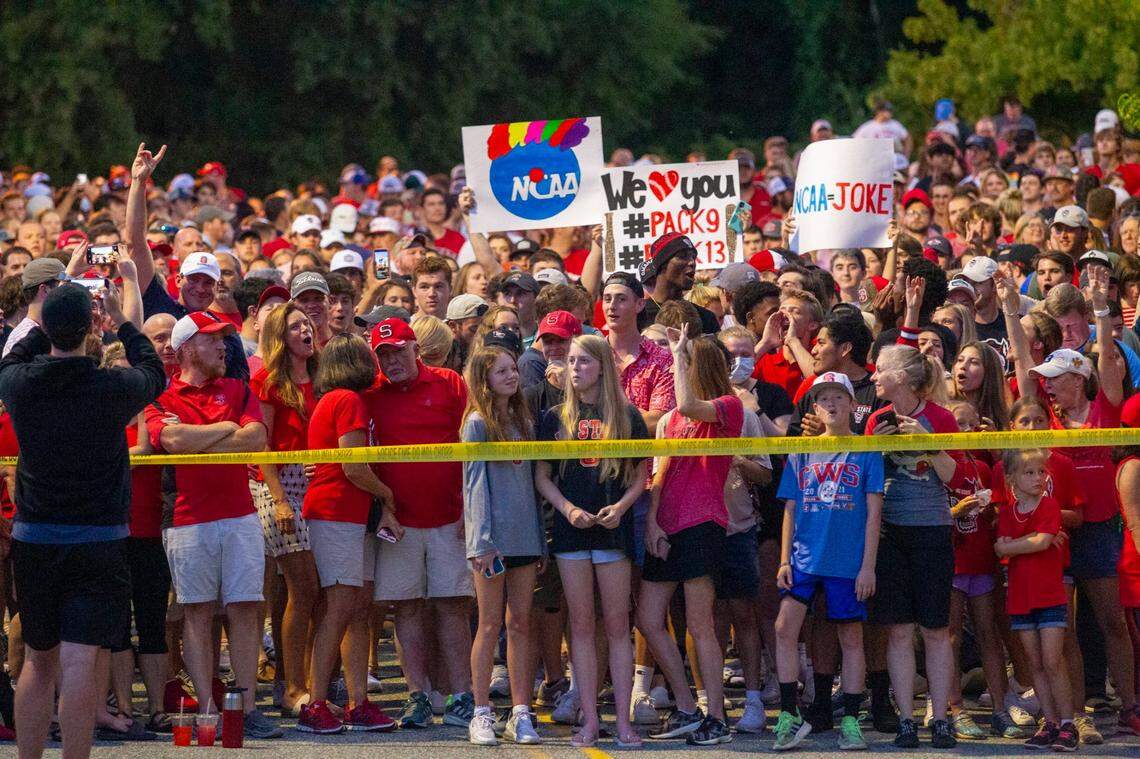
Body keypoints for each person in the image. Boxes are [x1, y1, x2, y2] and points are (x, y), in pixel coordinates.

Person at [0, 276, 164, 759]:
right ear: (91, 325)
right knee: (77, 662)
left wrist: (43, 316)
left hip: (36, 536)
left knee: (37, 660)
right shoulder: (111, 385)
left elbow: (10, 356)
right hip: (98, 539)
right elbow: (155, 370)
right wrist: (122, 321)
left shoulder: (20, 382)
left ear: (47, 327)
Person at [144, 311, 282, 739]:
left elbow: (256, 438)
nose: (223, 345)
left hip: (239, 513)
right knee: (198, 611)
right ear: (186, 349)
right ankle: (207, 708)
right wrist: (226, 428)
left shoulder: (238, 388)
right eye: (211, 339)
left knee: (245, 607)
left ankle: (243, 706)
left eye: (224, 338)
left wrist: (200, 431)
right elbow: (170, 441)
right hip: (188, 518)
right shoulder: (161, 396)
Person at [535, 334, 649, 748]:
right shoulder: (553, 417)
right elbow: (543, 476)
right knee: (580, 627)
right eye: (571, 361)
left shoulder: (628, 416)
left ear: (602, 365)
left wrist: (621, 507)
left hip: (612, 529)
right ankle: (588, 719)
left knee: (618, 625)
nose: (575, 368)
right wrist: (566, 509)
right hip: (570, 531)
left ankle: (623, 721)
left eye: (583, 361)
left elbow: (641, 474)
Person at [363, 317, 474, 729]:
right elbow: (365, 457)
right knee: (406, 607)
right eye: (383, 354)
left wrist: (468, 506)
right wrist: (383, 509)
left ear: (415, 348)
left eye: (397, 350)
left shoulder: (451, 383)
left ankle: (462, 694)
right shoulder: (372, 394)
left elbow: (472, 444)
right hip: (400, 521)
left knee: (452, 605)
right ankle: (417, 695)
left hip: (450, 515)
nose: (392, 360)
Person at [639, 330, 743, 746]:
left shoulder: (728, 407)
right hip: (666, 522)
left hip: (703, 521)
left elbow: (686, 402)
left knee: (701, 625)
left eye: (685, 362)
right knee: (647, 618)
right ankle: (686, 705)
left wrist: (677, 355)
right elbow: (661, 470)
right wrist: (651, 522)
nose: (679, 367)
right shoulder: (676, 420)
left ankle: (716, 716)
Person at [772, 372, 883, 751]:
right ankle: (789, 714)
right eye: (824, 398)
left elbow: (873, 513)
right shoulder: (802, 450)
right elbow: (790, 506)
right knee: (784, 628)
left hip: (846, 561)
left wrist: (867, 566)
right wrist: (784, 559)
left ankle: (850, 719)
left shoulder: (866, 451)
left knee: (850, 638)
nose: (831, 404)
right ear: (815, 406)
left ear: (853, 404)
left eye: (839, 396)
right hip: (804, 557)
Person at [866, 345, 965, 749]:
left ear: (903, 377)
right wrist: (882, 449)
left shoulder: (940, 418)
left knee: (937, 630)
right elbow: (871, 480)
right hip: (891, 530)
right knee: (899, 631)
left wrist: (928, 442)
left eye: (881, 370)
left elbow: (956, 476)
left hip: (932, 529)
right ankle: (907, 718)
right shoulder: (876, 420)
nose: (874, 376)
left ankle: (941, 717)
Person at [298, 335, 397, 734]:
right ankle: (315, 702)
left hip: (350, 514)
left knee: (356, 610)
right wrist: (389, 495)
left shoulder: (342, 400)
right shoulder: (347, 400)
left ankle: (358, 702)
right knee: (339, 609)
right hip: (337, 510)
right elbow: (352, 465)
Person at [462, 346, 546, 746]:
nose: (512, 376)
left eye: (513, 369)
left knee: (521, 623)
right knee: (489, 622)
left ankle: (520, 711)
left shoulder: (523, 420)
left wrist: (539, 542)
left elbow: (529, 485)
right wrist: (481, 542)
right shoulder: (477, 423)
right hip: (491, 542)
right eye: (501, 371)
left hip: (525, 536)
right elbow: (474, 484)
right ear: (484, 379)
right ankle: (481, 712)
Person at [249, 302, 320, 715]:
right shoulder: (267, 380)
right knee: (304, 587)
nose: (306, 331)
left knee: (305, 591)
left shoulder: (322, 375)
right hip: (276, 485)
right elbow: (262, 446)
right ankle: (294, 687)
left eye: (307, 324)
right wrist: (278, 499)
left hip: (317, 483)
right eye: (296, 327)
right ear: (280, 336)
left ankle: (294, 681)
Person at [995, 448, 1076, 751]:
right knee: (1035, 664)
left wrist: (1015, 546)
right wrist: (1021, 545)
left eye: (1042, 472)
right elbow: (1000, 549)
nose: (1038, 477)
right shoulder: (1006, 512)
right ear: (1012, 478)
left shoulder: (1050, 506)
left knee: (1053, 660)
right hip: (1020, 598)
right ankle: (1050, 722)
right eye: (1030, 472)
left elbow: (1039, 541)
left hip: (1049, 596)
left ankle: (1068, 723)